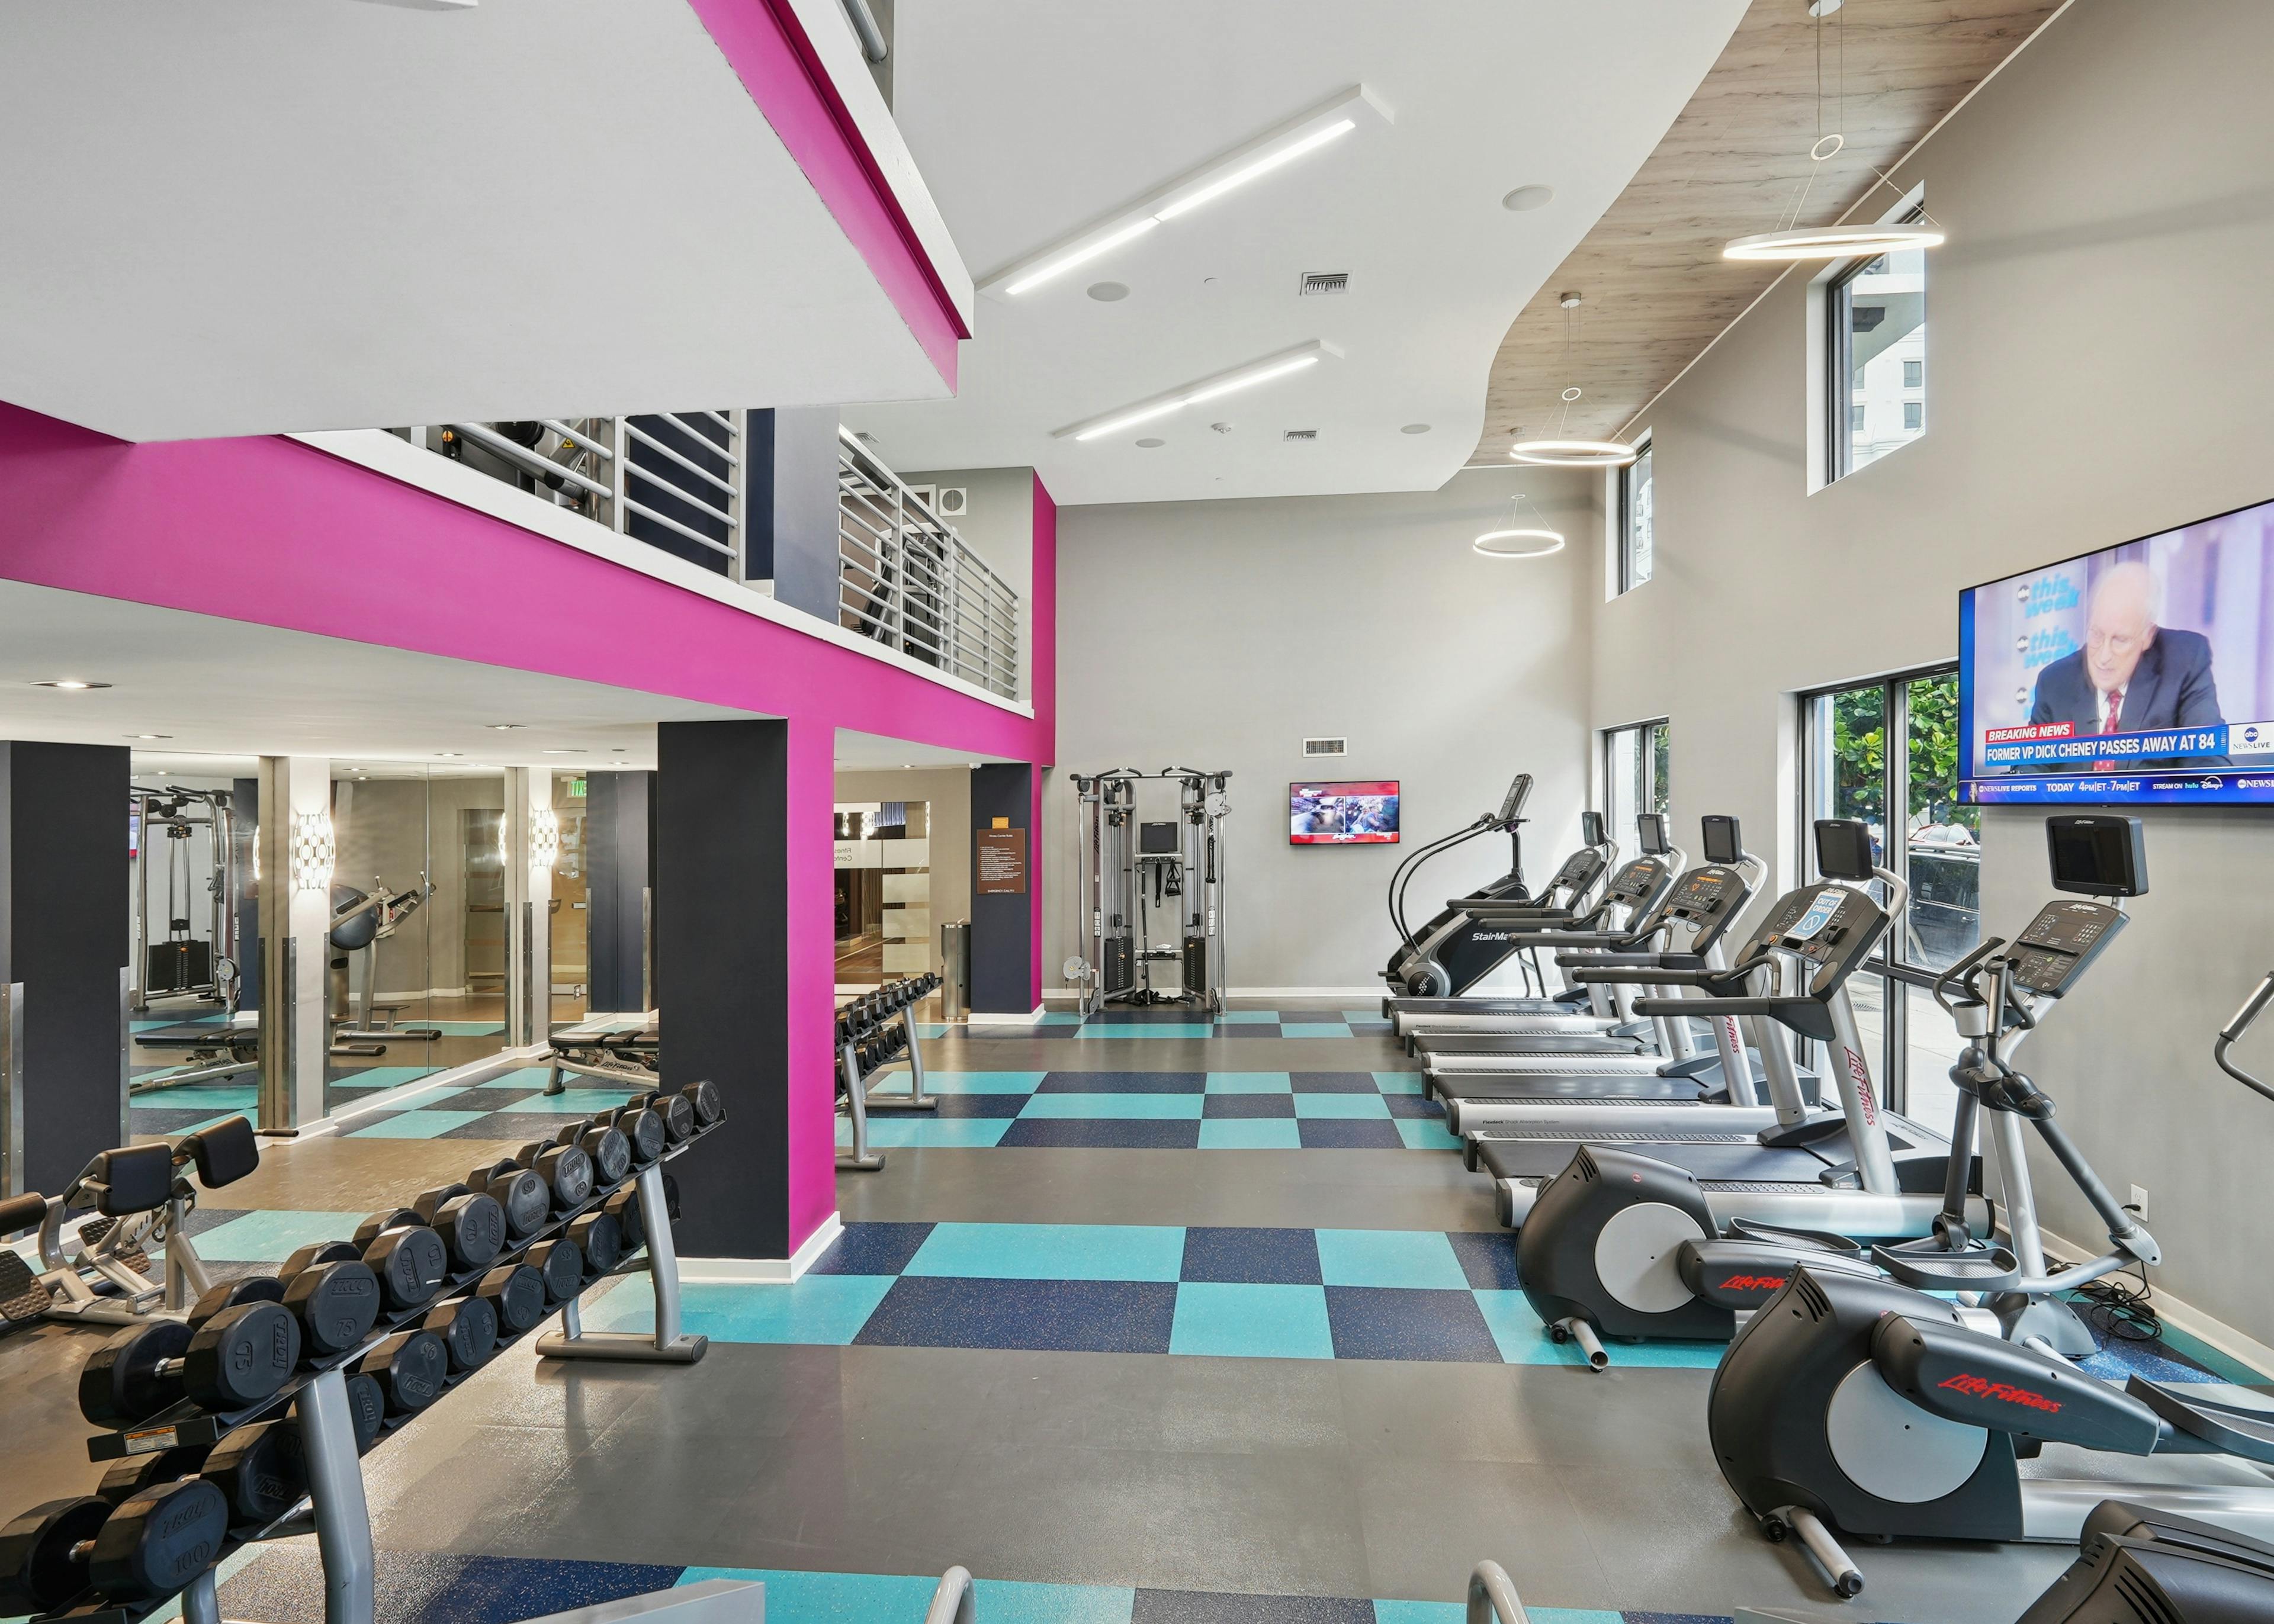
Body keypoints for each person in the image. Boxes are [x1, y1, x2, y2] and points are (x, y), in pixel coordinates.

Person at [2028, 561, 2225, 768]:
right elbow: (2029, 773)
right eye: (2096, 634)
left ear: (2148, 636)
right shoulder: (2055, 682)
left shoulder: (2184, 662)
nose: (2103, 657)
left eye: (2120, 640)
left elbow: (2208, 765)